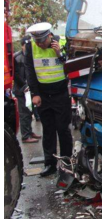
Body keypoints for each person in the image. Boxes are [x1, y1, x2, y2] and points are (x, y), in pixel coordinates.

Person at [24, 22, 73, 177]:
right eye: (37, 41)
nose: (39, 44)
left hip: (60, 94)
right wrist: (35, 94)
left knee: (63, 129)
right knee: (48, 130)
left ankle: (66, 163)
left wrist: (60, 54)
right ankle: (49, 164)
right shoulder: (31, 47)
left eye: (42, 41)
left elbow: (71, 66)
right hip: (43, 96)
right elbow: (30, 72)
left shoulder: (63, 43)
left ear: (49, 36)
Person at [13, 36, 42, 143]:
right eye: (26, 45)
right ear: (22, 46)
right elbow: (15, 75)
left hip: (29, 90)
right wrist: (24, 86)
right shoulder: (17, 57)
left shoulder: (31, 56)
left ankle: (29, 132)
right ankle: (25, 136)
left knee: (30, 112)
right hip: (21, 90)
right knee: (24, 113)